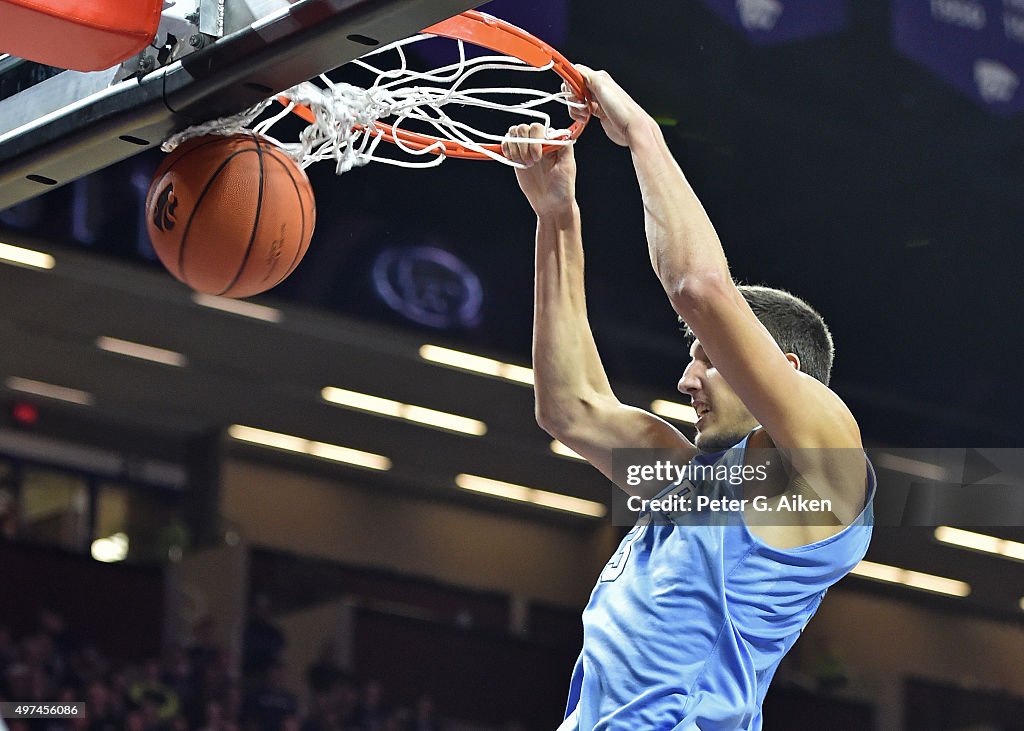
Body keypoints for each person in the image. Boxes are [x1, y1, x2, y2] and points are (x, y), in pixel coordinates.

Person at [502, 66, 875, 730]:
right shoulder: (688, 485)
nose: (686, 379)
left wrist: (641, 134)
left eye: (708, 359)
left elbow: (700, 287)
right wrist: (557, 213)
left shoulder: (824, 476)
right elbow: (572, 406)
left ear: (778, 367)